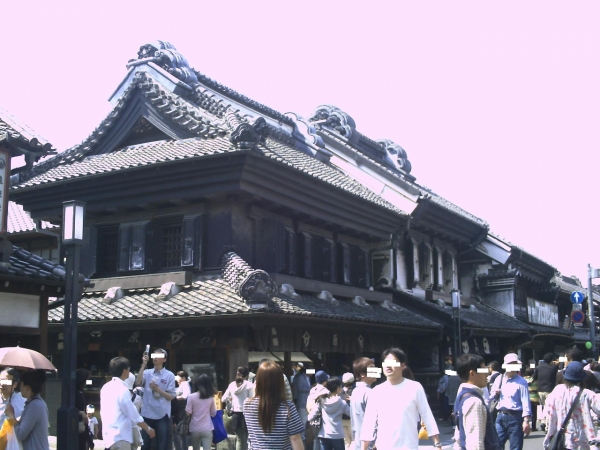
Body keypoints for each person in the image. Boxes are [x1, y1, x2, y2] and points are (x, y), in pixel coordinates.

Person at [360, 347, 440, 450]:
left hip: (408, 447)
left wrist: (437, 444)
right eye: (385, 363)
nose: (388, 366)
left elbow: (427, 415)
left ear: (403, 365)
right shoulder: (376, 391)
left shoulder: (414, 387)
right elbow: (368, 423)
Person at [243, 360, 304, 450]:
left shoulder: (247, 405)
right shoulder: (288, 407)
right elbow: (295, 438)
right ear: (280, 382)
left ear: (257, 381)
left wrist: (256, 391)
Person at [101, 357, 155, 450]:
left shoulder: (105, 387)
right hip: (121, 436)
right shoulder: (122, 389)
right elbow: (133, 414)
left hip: (108, 436)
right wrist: (148, 428)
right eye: (129, 369)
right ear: (124, 371)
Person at [543, 361, 600, 449]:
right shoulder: (587, 394)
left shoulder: (557, 390)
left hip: (561, 440)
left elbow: (547, 411)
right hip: (582, 440)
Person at [453, 353, 500, 450]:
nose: (487, 374)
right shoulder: (474, 402)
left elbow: (458, 436)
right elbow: (475, 443)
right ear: (472, 373)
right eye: (483, 370)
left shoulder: (462, 395)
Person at [135, 348, 176, 450]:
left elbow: (171, 396)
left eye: (158, 356)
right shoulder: (147, 372)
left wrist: (157, 389)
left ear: (164, 359)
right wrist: (143, 365)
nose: (155, 358)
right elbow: (138, 382)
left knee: (162, 444)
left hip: (162, 413)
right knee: (145, 444)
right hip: (147, 413)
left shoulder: (169, 375)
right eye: (154, 356)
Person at [490, 353, 531, 450]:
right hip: (500, 416)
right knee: (496, 445)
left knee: (515, 447)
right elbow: (490, 397)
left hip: (515, 417)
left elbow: (526, 402)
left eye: (515, 364)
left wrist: (526, 421)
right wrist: (494, 393)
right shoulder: (499, 379)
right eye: (511, 364)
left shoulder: (522, 382)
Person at [5, 370, 49, 450]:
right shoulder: (35, 403)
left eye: (21, 385)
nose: (20, 388)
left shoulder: (35, 406)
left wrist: (11, 415)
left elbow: (21, 434)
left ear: (27, 387)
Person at [308, 377, 350, 450]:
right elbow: (351, 414)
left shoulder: (321, 401)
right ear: (338, 388)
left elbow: (311, 417)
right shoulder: (342, 403)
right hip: (337, 435)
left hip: (324, 434)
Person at [222, 366, 254, 450]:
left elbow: (223, 399)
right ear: (247, 375)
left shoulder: (232, 385)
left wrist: (231, 398)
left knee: (240, 439)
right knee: (245, 439)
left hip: (235, 414)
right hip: (247, 415)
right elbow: (252, 399)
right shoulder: (249, 385)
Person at [350, 357, 376, 450]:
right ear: (362, 374)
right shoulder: (370, 393)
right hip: (370, 444)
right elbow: (374, 421)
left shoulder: (355, 391)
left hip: (358, 442)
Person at [185, 374, 217, 450]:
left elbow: (188, 413)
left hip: (194, 428)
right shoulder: (211, 397)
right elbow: (213, 413)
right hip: (207, 428)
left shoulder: (191, 397)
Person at [533, 353, 557, 432]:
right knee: (549, 408)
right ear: (551, 360)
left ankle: (543, 421)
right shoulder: (554, 368)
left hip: (540, 390)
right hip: (550, 390)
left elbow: (534, 377)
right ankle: (547, 424)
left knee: (542, 406)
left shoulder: (538, 367)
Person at [307, 370, 330, 450]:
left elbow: (308, 404)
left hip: (312, 418)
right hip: (322, 420)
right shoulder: (326, 391)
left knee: (316, 439)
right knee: (323, 441)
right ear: (325, 381)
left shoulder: (312, 390)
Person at [291, 363, 310, 438]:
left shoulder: (307, 378)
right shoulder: (301, 377)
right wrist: (310, 389)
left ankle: (304, 434)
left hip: (307, 401)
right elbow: (300, 388)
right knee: (302, 419)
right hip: (302, 401)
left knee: (306, 419)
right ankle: (302, 435)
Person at [76, 369, 91, 450]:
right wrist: (80, 412)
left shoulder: (82, 392)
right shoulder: (74, 393)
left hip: (84, 423)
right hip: (76, 423)